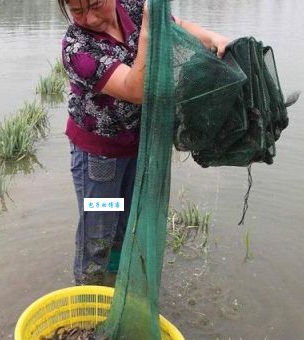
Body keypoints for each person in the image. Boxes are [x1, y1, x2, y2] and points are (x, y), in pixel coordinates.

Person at [58, 0, 230, 285]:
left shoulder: (132, 8)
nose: (90, 18)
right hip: (101, 159)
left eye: (95, 5)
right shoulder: (77, 48)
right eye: (78, 11)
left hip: (137, 147)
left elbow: (177, 29)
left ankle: (112, 283)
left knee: (125, 220)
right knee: (101, 226)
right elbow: (134, 89)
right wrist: (148, 32)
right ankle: (88, 290)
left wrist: (212, 38)